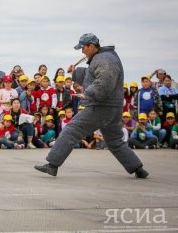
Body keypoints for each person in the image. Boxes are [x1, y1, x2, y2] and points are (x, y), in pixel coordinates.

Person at [34, 33, 148, 178]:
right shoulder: (103, 58)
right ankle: (138, 168)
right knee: (114, 141)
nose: (82, 51)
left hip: (102, 105)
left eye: (83, 48)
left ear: (91, 46)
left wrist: (89, 93)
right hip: (112, 106)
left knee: (71, 129)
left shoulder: (105, 59)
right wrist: (75, 73)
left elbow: (105, 80)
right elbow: (91, 74)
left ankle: (52, 165)